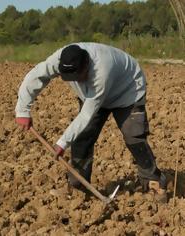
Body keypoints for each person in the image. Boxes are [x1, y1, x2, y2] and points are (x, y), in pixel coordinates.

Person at [15, 42, 167, 200]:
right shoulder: (60, 59)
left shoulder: (102, 70)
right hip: (91, 95)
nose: (77, 81)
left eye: (79, 76)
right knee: (82, 138)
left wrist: (61, 143)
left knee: (134, 136)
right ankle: (78, 187)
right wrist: (22, 110)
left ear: (86, 65)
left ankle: (153, 182)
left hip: (127, 91)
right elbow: (36, 75)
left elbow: (87, 114)